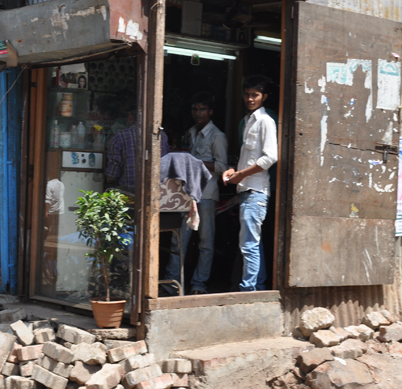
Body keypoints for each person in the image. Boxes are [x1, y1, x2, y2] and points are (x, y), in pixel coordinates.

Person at [163, 92, 227, 295]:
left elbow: (221, 166)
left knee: (205, 242)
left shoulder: (217, 136)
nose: (198, 113)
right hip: (187, 194)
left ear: (210, 112)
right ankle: (172, 283)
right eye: (195, 109)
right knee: (179, 238)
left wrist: (194, 164)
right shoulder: (191, 132)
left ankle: (199, 284)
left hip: (206, 194)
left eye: (202, 110)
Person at [222, 75, 277, 292]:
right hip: (247, 189)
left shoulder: (265, 121)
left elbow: (270, 157)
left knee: (249, 246)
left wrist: (241, 174)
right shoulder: (248, 121)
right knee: (253, 244)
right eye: (247, 94)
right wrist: (233, 171)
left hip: (256, 191)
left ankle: (249, 291)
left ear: (264, 97)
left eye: (255, 95)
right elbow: (250, 158)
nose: (250, 98)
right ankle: (257, 287)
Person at [105, 98, 169, 194]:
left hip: (129, 194)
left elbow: (111, 177)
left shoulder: (120, 137)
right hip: (157, 194)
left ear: (130, 116)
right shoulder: (162, 136)